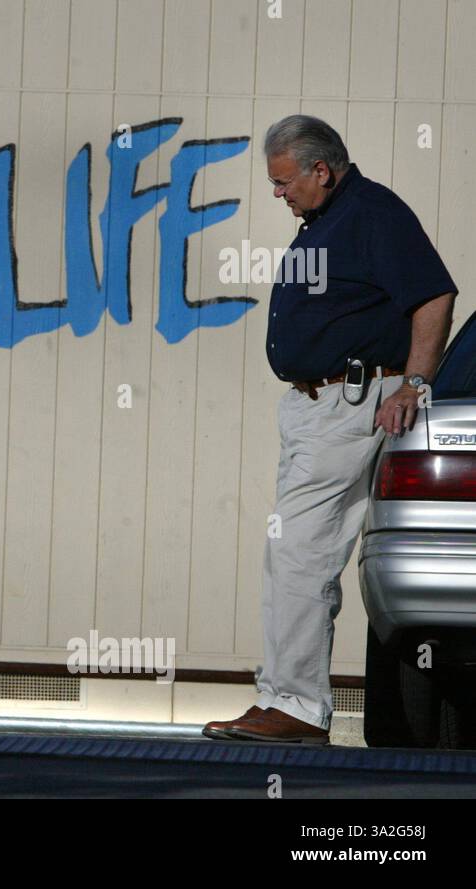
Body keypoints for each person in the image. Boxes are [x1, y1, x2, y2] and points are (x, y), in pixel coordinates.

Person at [202, 115, 457, 744]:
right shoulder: (326, 220)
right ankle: (285, 699)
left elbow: (433, 296)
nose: (278, 193)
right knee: (293, 549)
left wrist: (415, 385)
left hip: (350, 404)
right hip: (317, 407)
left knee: (298, 550)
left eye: (285, 181)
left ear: (323, 169)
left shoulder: (372, 213)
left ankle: (294, 705)